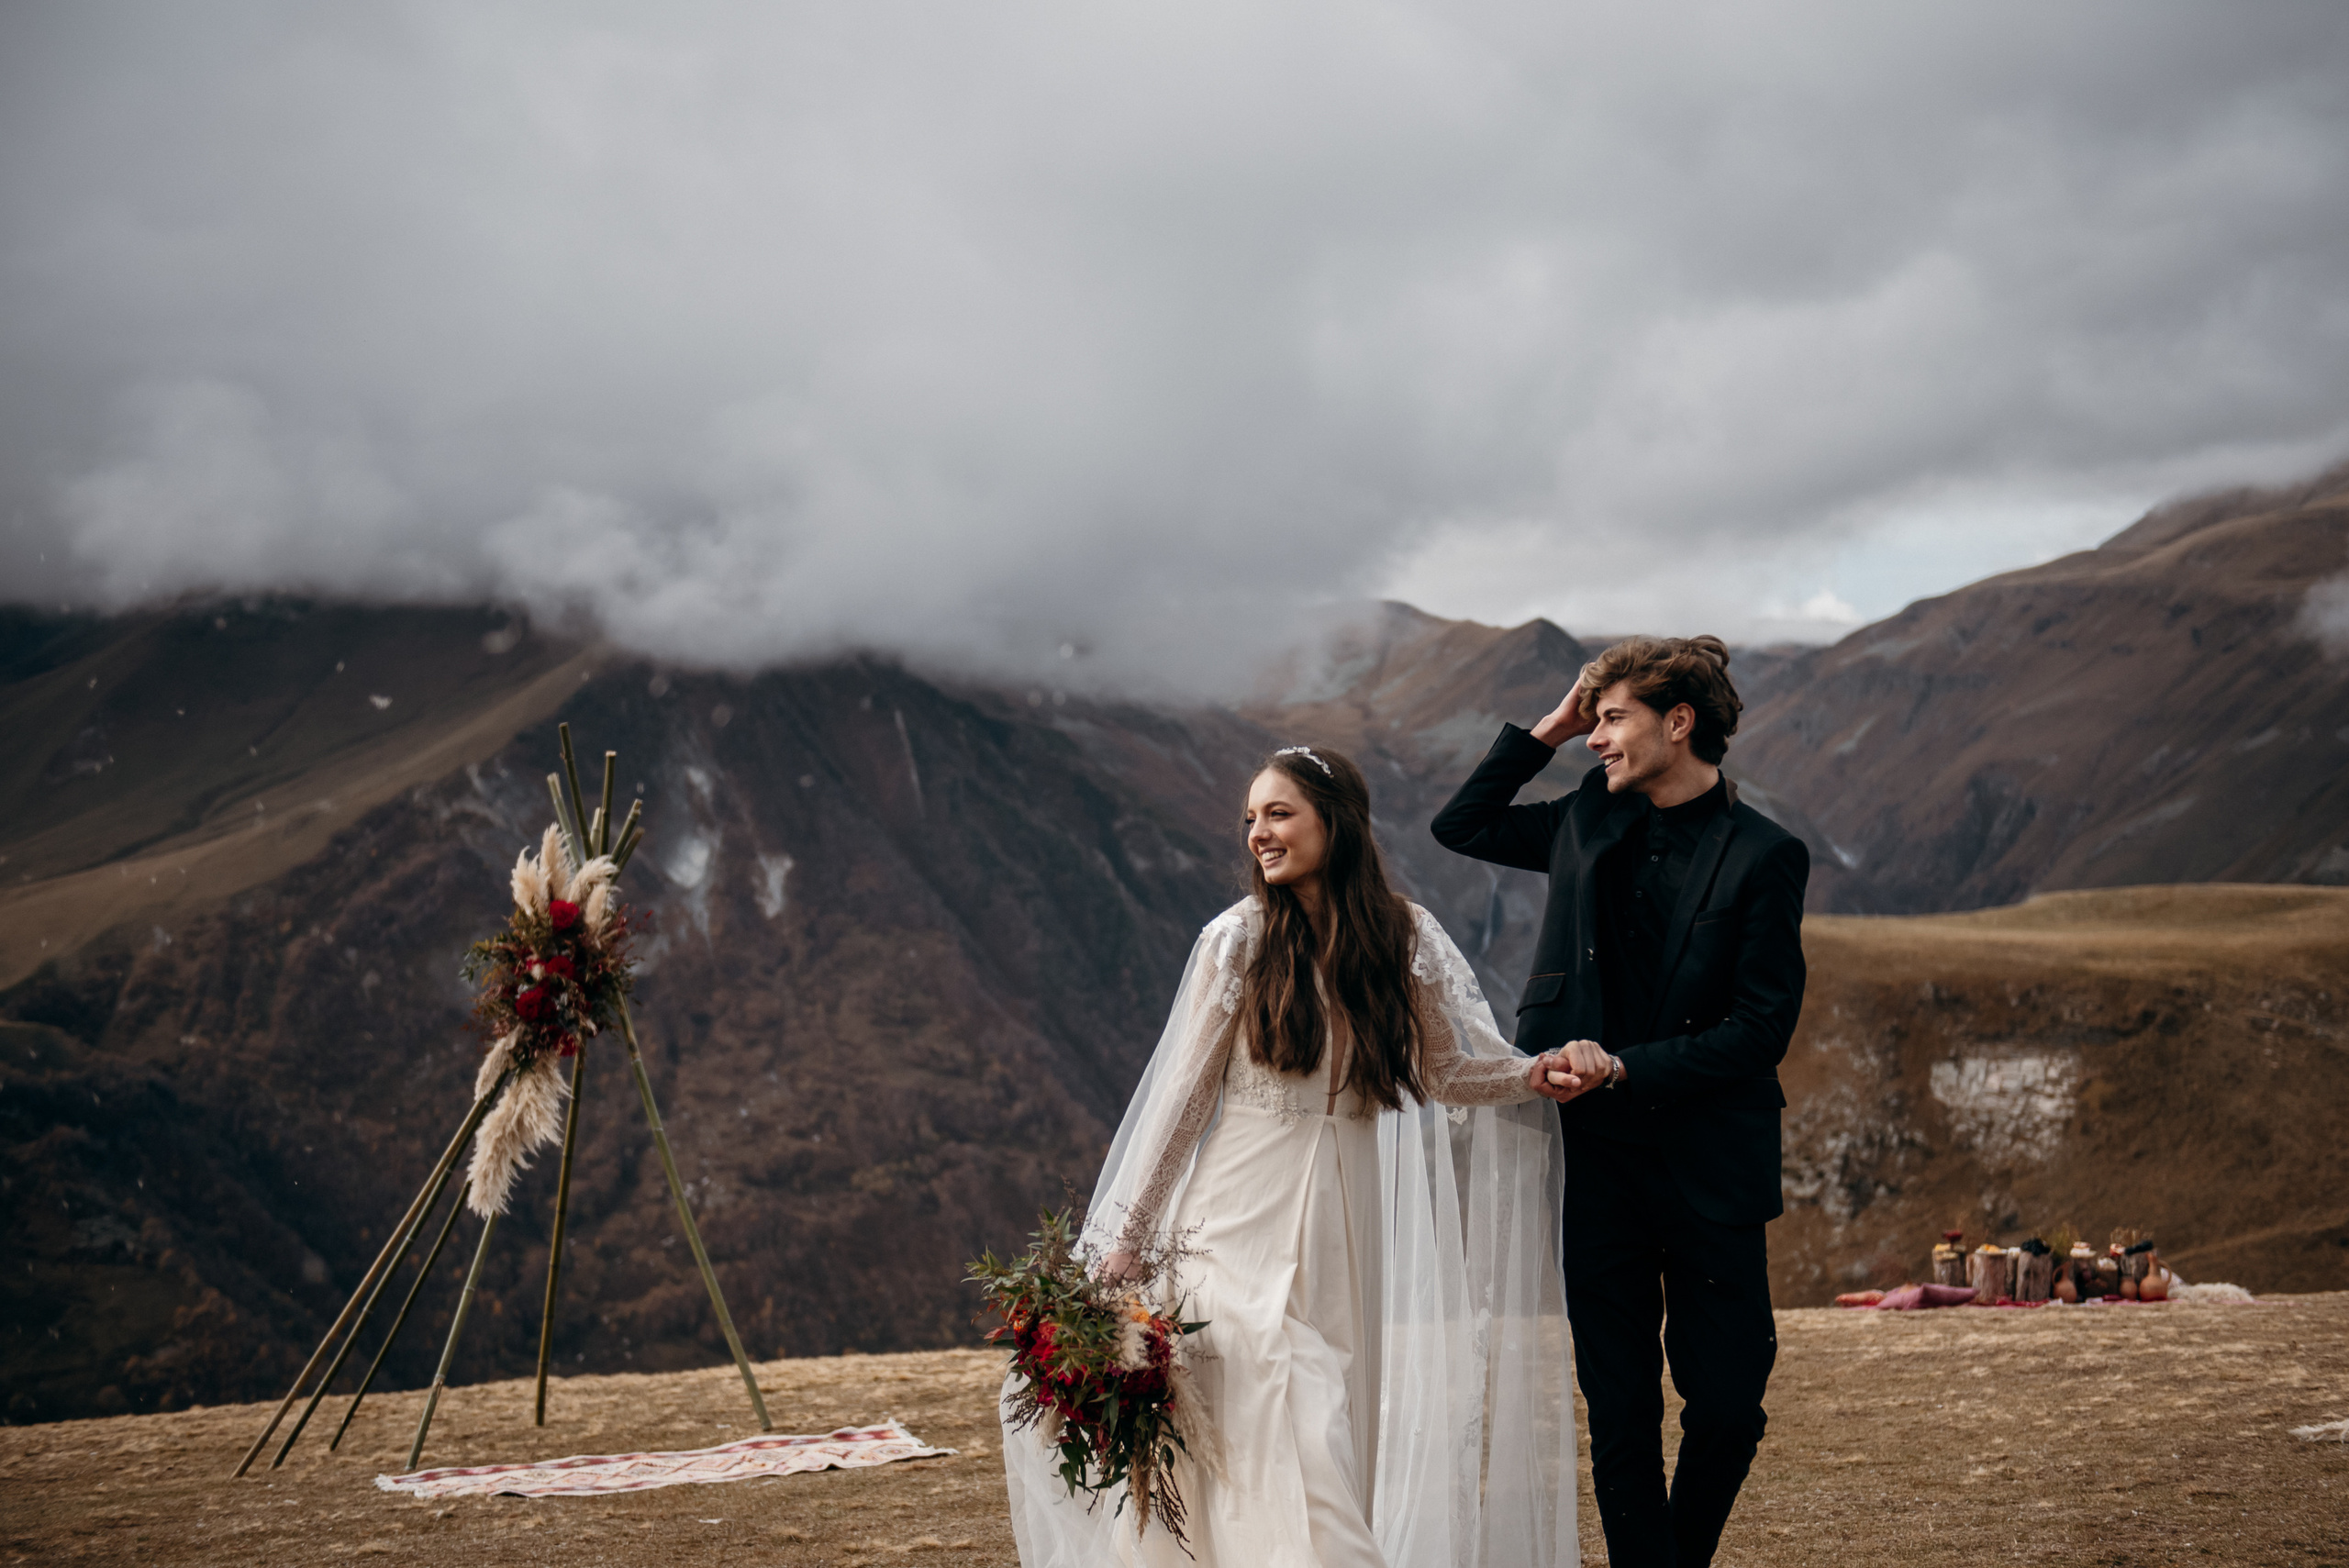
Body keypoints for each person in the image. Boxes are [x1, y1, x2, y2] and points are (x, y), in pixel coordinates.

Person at [1002, 744, 1601, 1568]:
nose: (1258, 832)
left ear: (1336, 820)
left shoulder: (1402, 933)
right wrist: (1128, 1238)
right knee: (1293, 1422)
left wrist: (1531, 1072)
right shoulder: (1238, 940)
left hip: (1344, 1227)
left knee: (1300, 1437)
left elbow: (1445, 1069)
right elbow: (1181, 1103)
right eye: (1250, 817)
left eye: (1278, 813)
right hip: (1230, 1224)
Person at [1430, 636, 1809, 1568]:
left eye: (1611, 719)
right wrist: (1549, 729)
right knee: (1621, 1406)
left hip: (1710, 1160)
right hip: (1592, 1155)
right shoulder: (1580, 820)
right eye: (1590, 722)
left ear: (1679, 722)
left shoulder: (1766, 855)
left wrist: (1625, 1066)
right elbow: (1461, 825)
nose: (1596, 739)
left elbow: (1761, 1029)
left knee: (1727, 1407)